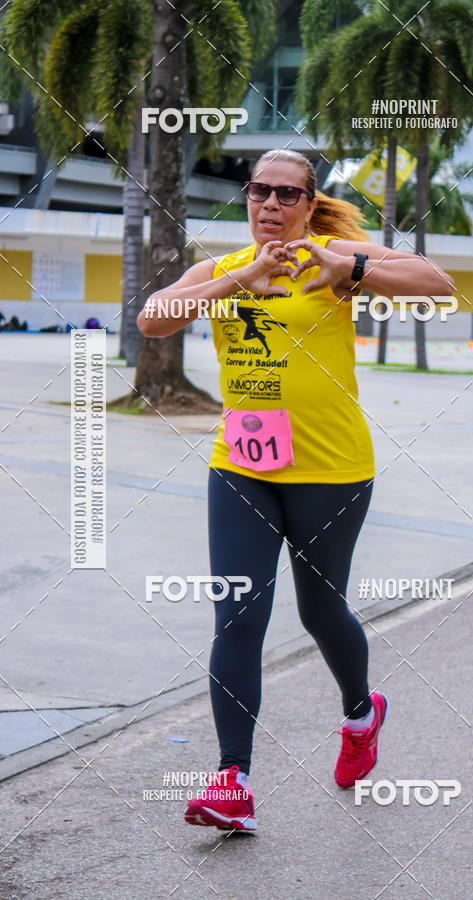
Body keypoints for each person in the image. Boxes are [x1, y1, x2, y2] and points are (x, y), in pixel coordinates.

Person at [138, 149, 455, 833]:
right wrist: (241, 279)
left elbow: (439, 285)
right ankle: (232, 779)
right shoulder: (223, 271)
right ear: (247, 198)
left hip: (332, 471)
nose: (272, 205)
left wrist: (354, 267)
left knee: (320, 610)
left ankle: (359, 714)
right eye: (260, 191)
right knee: (238, 615)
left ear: (310, 205)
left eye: (289, 194)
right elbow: (154, 319)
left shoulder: (333, 259)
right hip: (243, 467)